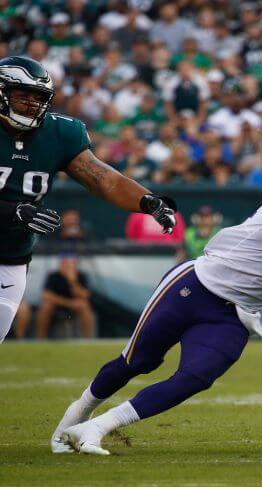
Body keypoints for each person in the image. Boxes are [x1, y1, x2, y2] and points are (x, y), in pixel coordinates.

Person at [52, 153, 262, 455]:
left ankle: (97, 427)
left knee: (195, 377)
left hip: (235, 313)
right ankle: (76, 415)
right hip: (197, 286)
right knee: (137, 361)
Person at [0, 56, 176, 343]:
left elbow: (103, 180)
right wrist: (12, 211)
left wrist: (147, 201)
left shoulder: (59, 133)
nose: (32, 104)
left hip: (11, 254)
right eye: (22, 95)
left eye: (38, 97)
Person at [35, 254, 94, 339]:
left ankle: (89, 339)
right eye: (64, 263)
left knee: (84, 306)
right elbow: (46, 296)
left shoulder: (81, 276)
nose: (66, 266)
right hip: (58, 305)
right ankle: (39, 339)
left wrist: (72, 281)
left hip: (75, 306)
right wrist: (69, 303)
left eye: (69, 264)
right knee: (45, 307)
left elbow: (85, 295)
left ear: (75, 265)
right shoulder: (53, 276)